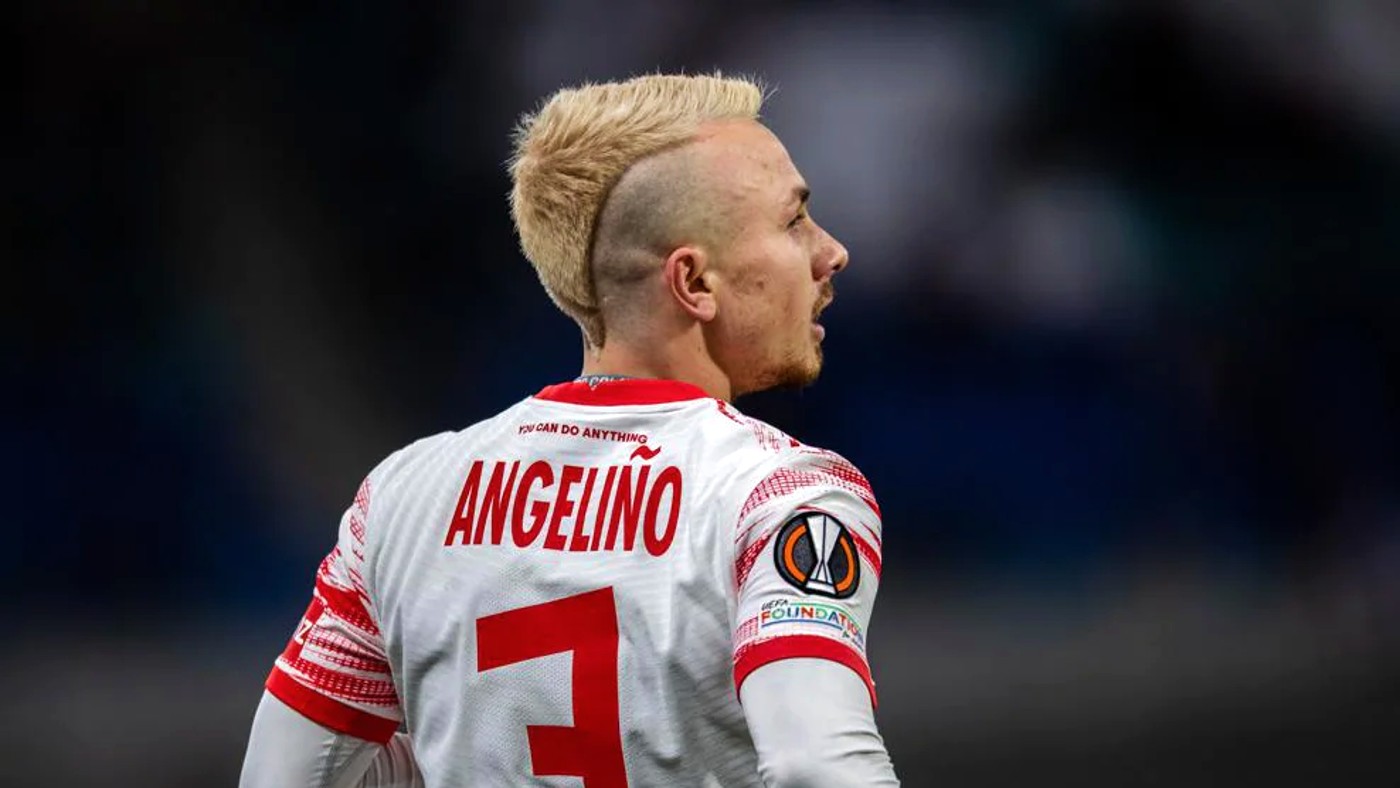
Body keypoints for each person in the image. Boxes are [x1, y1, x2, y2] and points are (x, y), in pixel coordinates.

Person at [240, 72, 899, 787]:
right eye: (794, 221)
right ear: (693, 283)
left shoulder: (403, 499)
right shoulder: (780, 496)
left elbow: (282, 778)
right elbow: (816, 767)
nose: (831, 251)